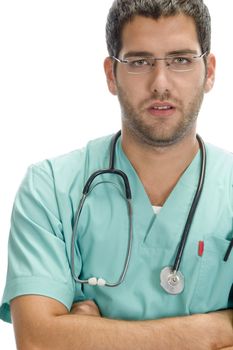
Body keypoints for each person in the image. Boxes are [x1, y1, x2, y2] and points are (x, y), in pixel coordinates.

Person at [0, 0, 233, 349]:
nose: (161, 82)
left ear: (209, 71)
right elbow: (38, 341)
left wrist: (90, 336)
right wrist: (212, 331)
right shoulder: (50, 188)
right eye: (139, 62)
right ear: (111, 74)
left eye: (181, 60)